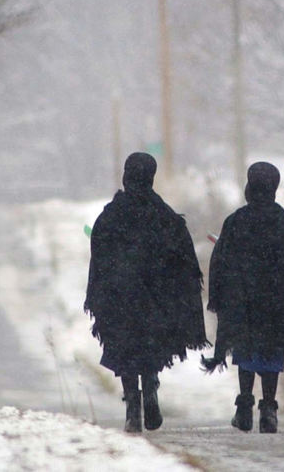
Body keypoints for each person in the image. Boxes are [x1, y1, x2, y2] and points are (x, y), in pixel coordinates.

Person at [85, 152, 208, 433]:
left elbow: (99, 262)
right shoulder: (166, 217)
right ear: (151, 177)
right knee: (149, 347)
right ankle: (151, 387)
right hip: (156, 303)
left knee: (126, 349)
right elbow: (185, 264)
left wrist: (104, 295)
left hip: (121, 301)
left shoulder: (110, 216)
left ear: (126, 175)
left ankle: (132, 404)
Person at [202, 161, 284, 434]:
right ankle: (269, 409)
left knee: (245, 353)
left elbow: (220, 265)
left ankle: (244, 407)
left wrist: (223, 298)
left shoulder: (235, 222)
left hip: (244, 306)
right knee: (271, 355)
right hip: (276, 309)